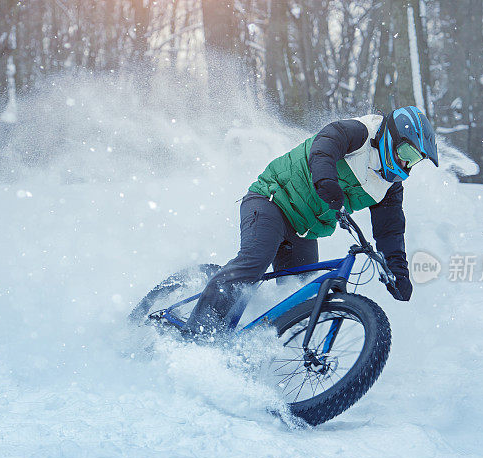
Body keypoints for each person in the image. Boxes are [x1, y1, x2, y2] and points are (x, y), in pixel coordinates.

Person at [185, 105, 439, 337]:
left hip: (303, 231)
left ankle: (254, 347)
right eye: (406, 152)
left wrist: (397, 271)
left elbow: (390, 231)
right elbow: (324, 146)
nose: (406, 163)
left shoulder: (389, 186)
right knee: (254, 262)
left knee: (297, 294)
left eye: (414, 159)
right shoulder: (359, 132)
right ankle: (194, 335)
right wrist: (326, 180)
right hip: (271, 200)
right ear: (392, 137)